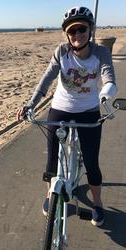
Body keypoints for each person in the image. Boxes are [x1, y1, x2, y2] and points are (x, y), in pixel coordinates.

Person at [17, 6, 117, 227]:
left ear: (90, 30)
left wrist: (105, 94)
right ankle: (50, 195)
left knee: (92, 163)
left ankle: (97, 203)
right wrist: (30, 104)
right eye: (72, 31)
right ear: (67, 34)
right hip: (60, 109)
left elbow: (108, 76)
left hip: (89, 112)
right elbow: (47, 79)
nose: (77, 35)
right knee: (52, 159)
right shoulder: (61, 51)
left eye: (82, 29)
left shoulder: (100, 53)